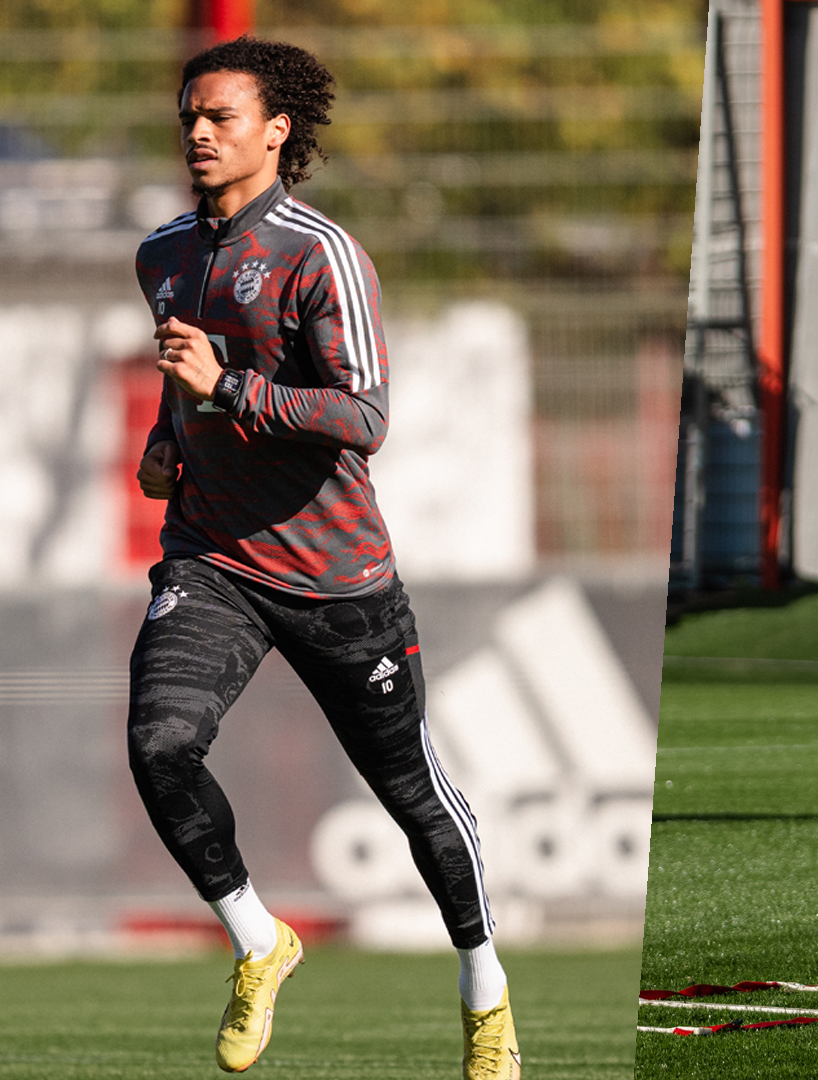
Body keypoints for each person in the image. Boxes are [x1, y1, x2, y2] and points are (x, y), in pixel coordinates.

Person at [128, 37, 520, 1074]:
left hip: (338, 580)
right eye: (188, 118)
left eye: (219, 116)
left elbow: (364, 415)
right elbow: (186, 390)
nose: (199, 133)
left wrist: (229, 392)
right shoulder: (162, 254)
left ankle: (486, 992)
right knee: (161, 745)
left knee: (413, 798)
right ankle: (261, 940)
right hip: (212, 559)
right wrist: (169, 443)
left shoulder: (320, 252)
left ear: (277, 129)